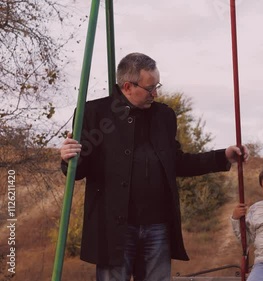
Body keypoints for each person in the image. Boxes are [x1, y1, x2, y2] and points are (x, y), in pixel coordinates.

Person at [59, 52, 248, 281]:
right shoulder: (94, 114)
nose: (156, 94)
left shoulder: (164, 116)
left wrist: (223, 157)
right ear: (128, 86)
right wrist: (67, 157)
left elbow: (177, 163)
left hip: (157, 226)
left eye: (157, 86)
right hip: (114, 229)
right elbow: (78, 171)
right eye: (150, 88)